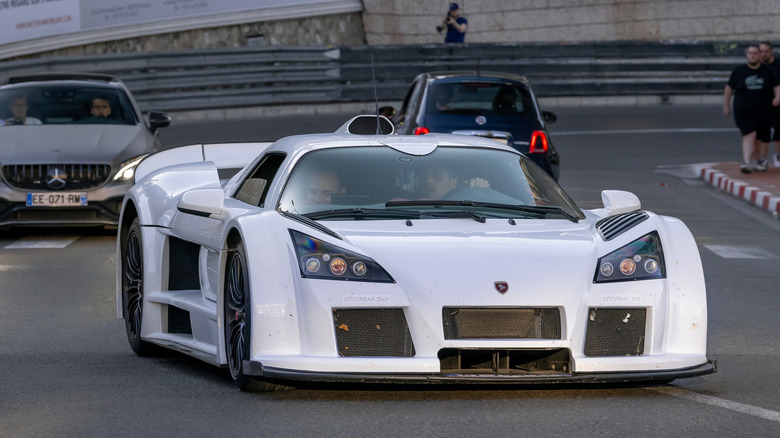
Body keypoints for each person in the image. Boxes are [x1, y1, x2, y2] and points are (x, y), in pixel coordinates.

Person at [723, 44, 780, 173]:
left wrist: (777, 97)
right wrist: (726, 106)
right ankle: (747, 162)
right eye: (750, 53)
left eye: (755, 53)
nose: (753, 56)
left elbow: (777, 86)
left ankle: (756, 161)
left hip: (763, 110)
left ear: (759, 55)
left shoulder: (768, 72)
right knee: (749, 134)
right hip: (744, 110)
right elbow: (729, 88)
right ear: (747, 55)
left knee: (759, 138)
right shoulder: (739, 71)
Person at [759, 41, 780, 168]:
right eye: (761, 51)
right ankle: (762, 158)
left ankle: (778, 155)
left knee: (779, 130)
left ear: (771, 51)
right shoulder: (757, 66)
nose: (764, 54)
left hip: (778, 103)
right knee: (762, 132)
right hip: (762, 104)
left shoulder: (778, 65)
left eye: (766, 51)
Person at [420, 163, 489, 199]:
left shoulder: (464, 209)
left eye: (437, 176)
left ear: (454, 183)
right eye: (424, 176)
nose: (428, 181)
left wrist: (482, 192)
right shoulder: (410, 205)